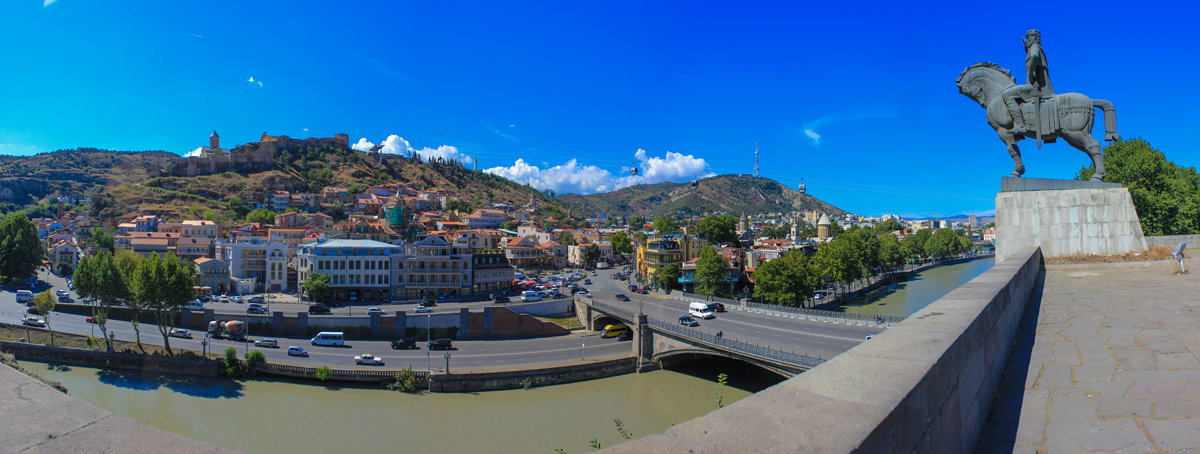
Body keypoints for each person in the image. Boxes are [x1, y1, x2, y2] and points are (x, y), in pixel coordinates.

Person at [1000, 29, 1054, 134]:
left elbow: (1034, 57)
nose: (1028, 40)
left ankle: (1020, 125)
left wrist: (1029, 75)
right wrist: (1027, 49)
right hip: (1037, 85)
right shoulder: (1035, 48)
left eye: (1029, 38)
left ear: (1033, 38)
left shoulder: (1034, 48)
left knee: (1007, 94)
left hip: (1035, 86)